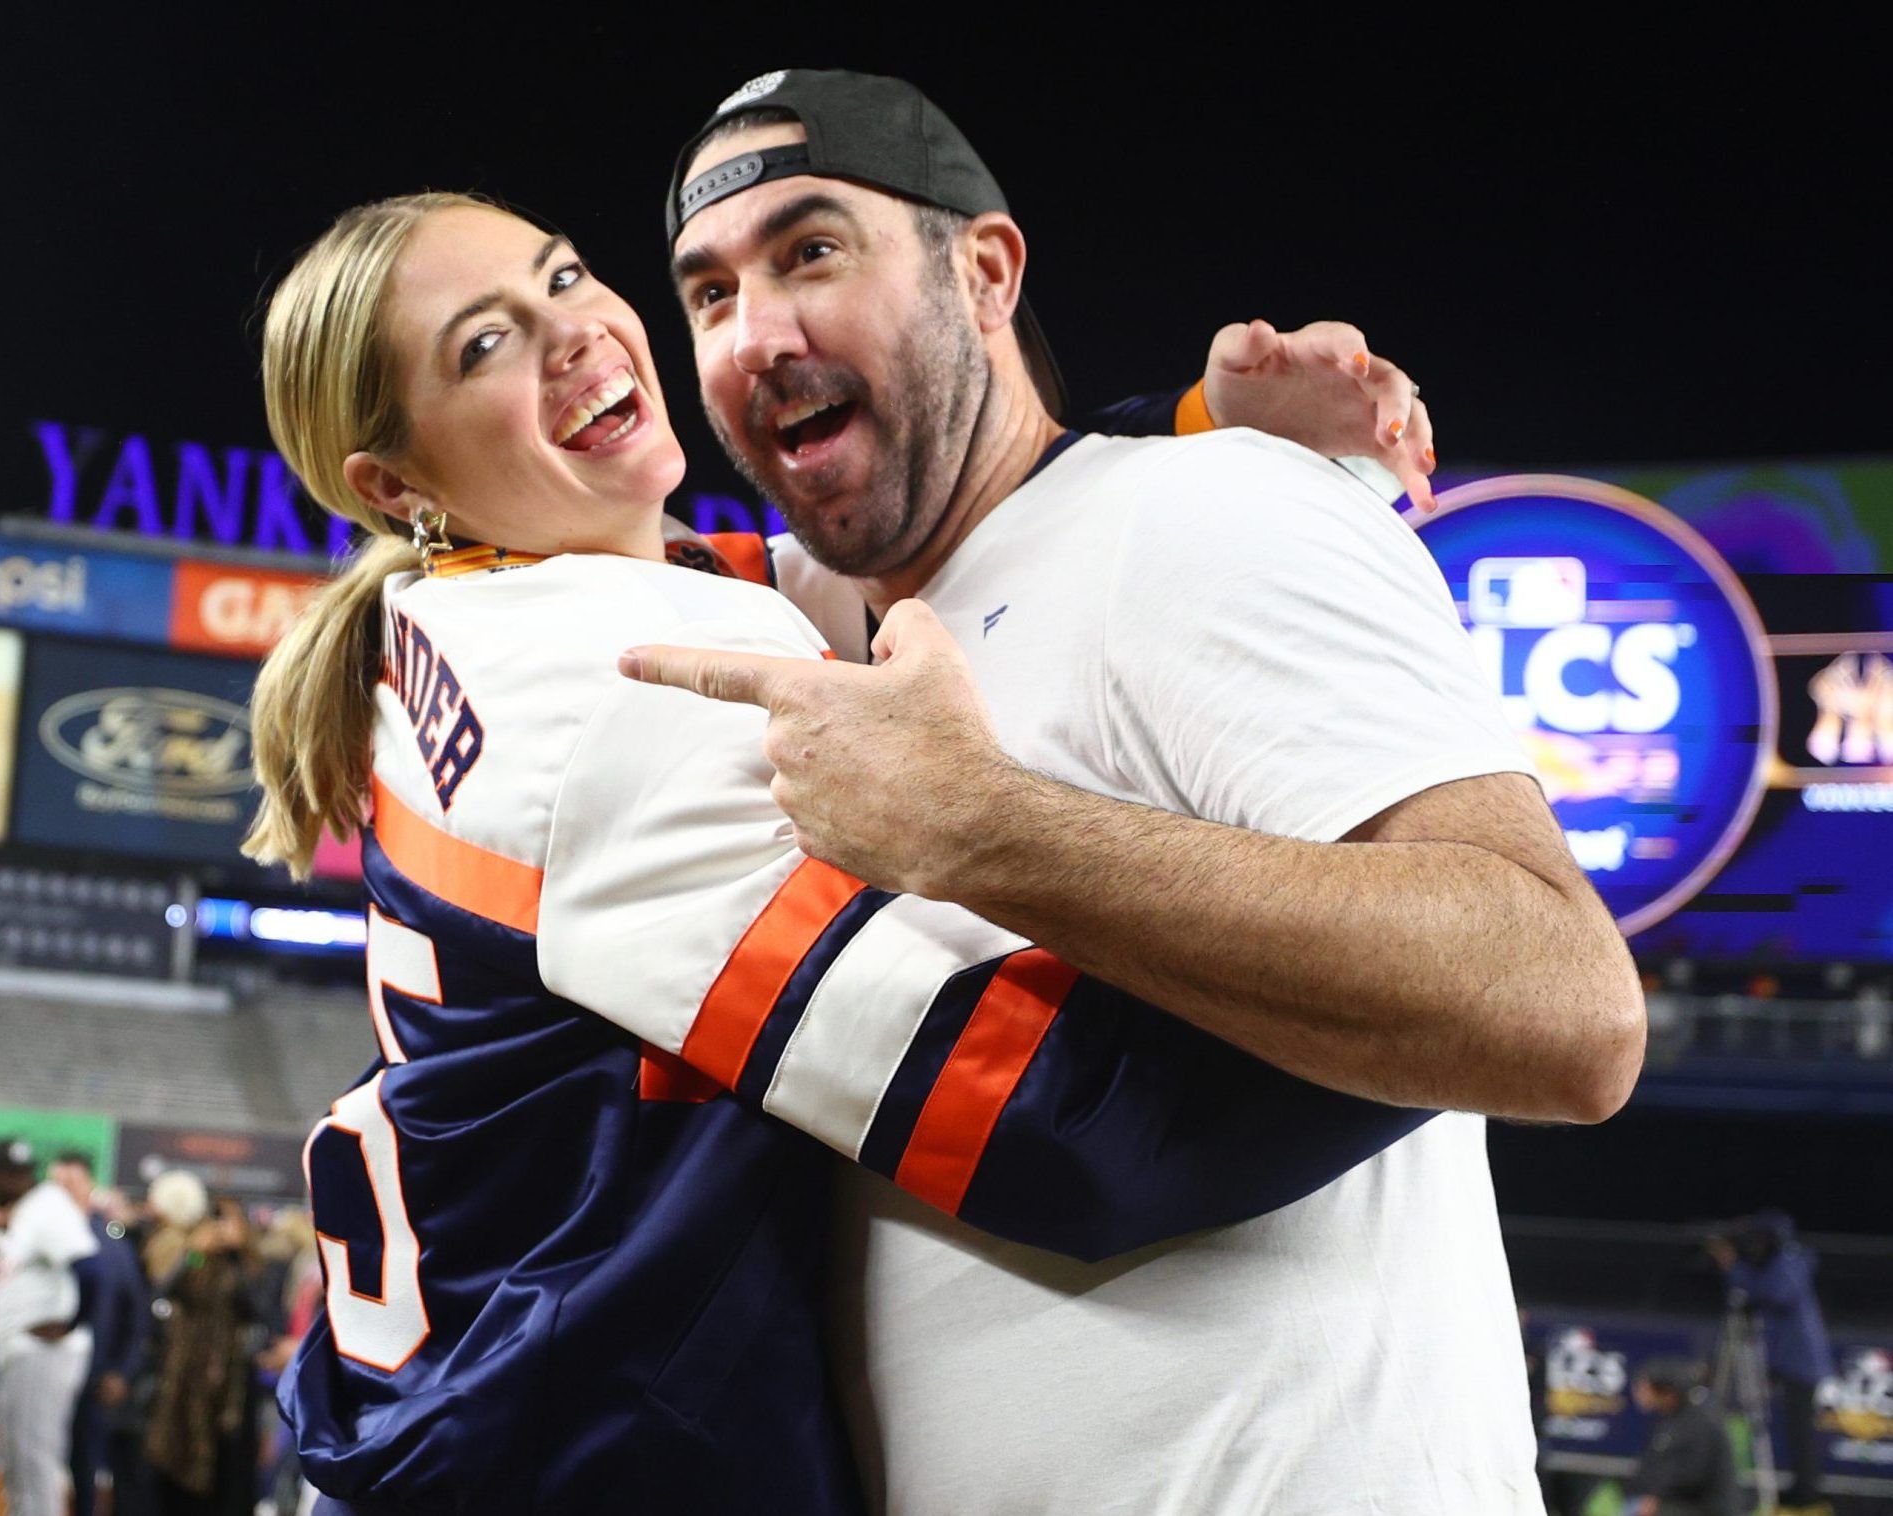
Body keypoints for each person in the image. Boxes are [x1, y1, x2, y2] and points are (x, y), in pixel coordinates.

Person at [244, 191, 1465, 1511]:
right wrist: (1441, 1001)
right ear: (395, 484)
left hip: (482, 1421)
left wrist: (1196, 432)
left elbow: (926, 536)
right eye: (484, 345)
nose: (578, 336)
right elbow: (1066, 1124)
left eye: (567, 277)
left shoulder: (508, 608)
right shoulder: (616, 686)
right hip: (543, 1469)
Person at [623, 68, 1646, 1514]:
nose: (758, 333)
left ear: (981, 271)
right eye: (708, 293)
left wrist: (982, 828)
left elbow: (1562, 1005)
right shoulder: (799, 626)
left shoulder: (1209, 509)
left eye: (812, 252)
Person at [0, 1138, 98, 1516]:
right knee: (17, 1464)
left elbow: (91, 1269)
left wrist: (70, 1324)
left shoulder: (47, 1206)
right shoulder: (31, 1207)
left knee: (36, 1462)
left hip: (42, 1354)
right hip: (23, 1351)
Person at [1707, 1212, 1834, 1515]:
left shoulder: (1789, 1261)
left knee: (1799, 1431)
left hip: (1800, 1362)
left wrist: (1735, 1267)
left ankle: (1807, 1496)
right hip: (1782, 1359)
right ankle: (1788, 1488)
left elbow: (1779, 1294)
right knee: (1784, 1428)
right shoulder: (1776, 1263)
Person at [144, 1196, 263, 1516]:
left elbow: (256, 1308)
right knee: (178, 1458)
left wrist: (237, 1253)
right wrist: (196, 1252)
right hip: (186, 1377)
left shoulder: (247, 1264)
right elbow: (165, 1291)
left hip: (231, 1384)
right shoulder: (196, 1259)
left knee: (229, 1466)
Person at [50, 1152, 150, 1516]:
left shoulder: (112, 1248)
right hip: (43, 1376)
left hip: (92, 1381)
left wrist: (121, 1372)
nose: (63, 1192)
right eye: (57, 1185)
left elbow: (136, 1318)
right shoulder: (38, 1239)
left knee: (87, 1473)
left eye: (71, 1184)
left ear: (89, 1187)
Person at [1627, 1356, 1742, 1516]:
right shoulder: (1668, 1421)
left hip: (1701, 1508)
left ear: (1666, 1392)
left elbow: (1693, 1476)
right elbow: (1650, 1468)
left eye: (1645, 1389)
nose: (1639, 1394)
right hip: (1672, 1502)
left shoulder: (1699, 1423)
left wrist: (1657, 1498)